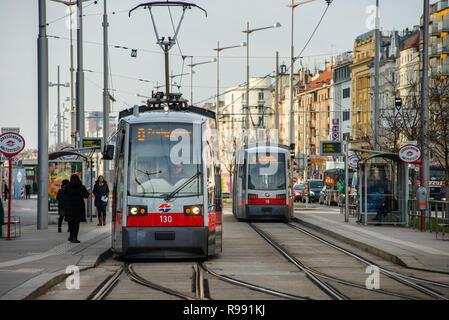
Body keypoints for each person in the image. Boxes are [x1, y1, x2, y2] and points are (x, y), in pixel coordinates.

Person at [64, 174, 89, 243]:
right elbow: (86, 195)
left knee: (70, 223)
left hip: (69, 207)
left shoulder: (67, 187)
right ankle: (75, 237)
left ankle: (71, 236)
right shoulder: (81, 187)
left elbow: (63, 195)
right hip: (79, 207)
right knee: (76, 223)